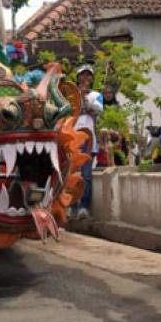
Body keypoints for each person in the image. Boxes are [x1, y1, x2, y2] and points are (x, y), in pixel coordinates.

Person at [73, 65, 103, 220]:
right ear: (77, 78)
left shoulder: (96, 95)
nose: (85, 78)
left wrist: (84, 98)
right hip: (72, 137)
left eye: (88, 75)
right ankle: (70, 207)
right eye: (82, 75)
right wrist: (77, 95)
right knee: (70, 174)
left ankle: (84, 207)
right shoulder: (70, 95)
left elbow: (98, 110)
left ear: (92, 78)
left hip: (88, 139)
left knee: (86, 175)